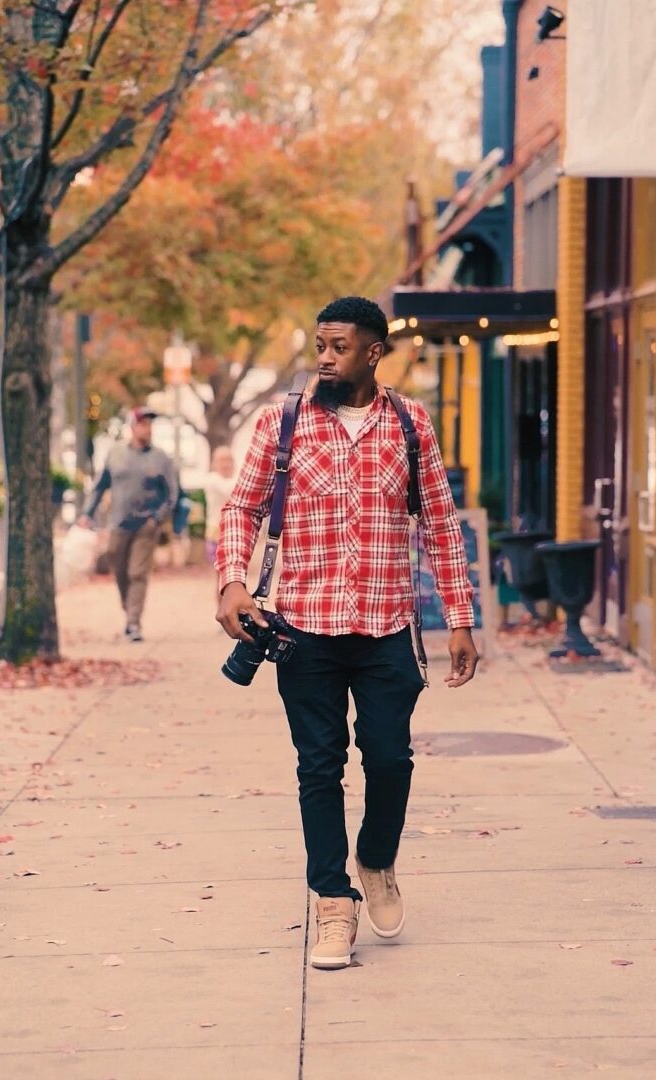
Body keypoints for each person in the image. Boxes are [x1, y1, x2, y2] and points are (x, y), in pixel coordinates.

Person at [216, 296, 478, 970]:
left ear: (372, 352)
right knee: (318, 766)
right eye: (319, 344)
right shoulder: (284, 422)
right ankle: (332, 902)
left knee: (390, 759)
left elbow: (441, 527)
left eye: (337, 346)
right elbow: (240, 507)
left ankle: (377, 857)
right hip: (305, 626)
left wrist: (459, 618)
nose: (323, 357)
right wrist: (231, 582)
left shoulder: (411, 425)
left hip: (388, 624)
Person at [79, 406, 178, 642]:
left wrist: (157, 518)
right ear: (133, 427)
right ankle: (130, 611)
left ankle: (133, 623)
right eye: (143, 424)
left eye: (150, 424)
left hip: (146, 524)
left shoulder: (161, 458)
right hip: (118, 523)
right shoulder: (115, 454)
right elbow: (101, 485)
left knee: (137, 573)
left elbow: (172, 493)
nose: (148, 429)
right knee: (120, 571)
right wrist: (87, 513)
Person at [203, 445, 236, 567]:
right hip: (216, 529)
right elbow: (231, 490)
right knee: (220, 568)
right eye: (222, 460)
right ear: (214, 463)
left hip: (234, 530)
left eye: (229, 460)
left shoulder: (235, 478)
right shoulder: (212, 479)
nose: (226, 464)